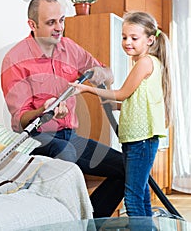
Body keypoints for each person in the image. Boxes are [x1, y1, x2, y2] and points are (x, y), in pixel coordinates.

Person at [1, 0, 125, 218]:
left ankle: (90, 222)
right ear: (32, 25)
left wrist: (100, 72)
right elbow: (20, 121)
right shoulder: (15, 60)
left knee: (127, 167)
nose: (59, 28)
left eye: (62, 20)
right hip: (37, 140)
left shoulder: (69, 48)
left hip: (71, 137)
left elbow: (109, 74)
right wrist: (44, 112)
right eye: (51, 23)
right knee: (66, 155)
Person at [70, 11, 172, 217]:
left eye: (134, 38)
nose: (127, 42)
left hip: (140, 140)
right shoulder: (148, 62)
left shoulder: (145, 62)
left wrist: (89, 90)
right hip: (137, 139)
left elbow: (123, 93)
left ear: (150, 40)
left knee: (132, 197)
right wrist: (113, 105)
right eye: (124, 37)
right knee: (141, 192)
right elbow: (136, 100)